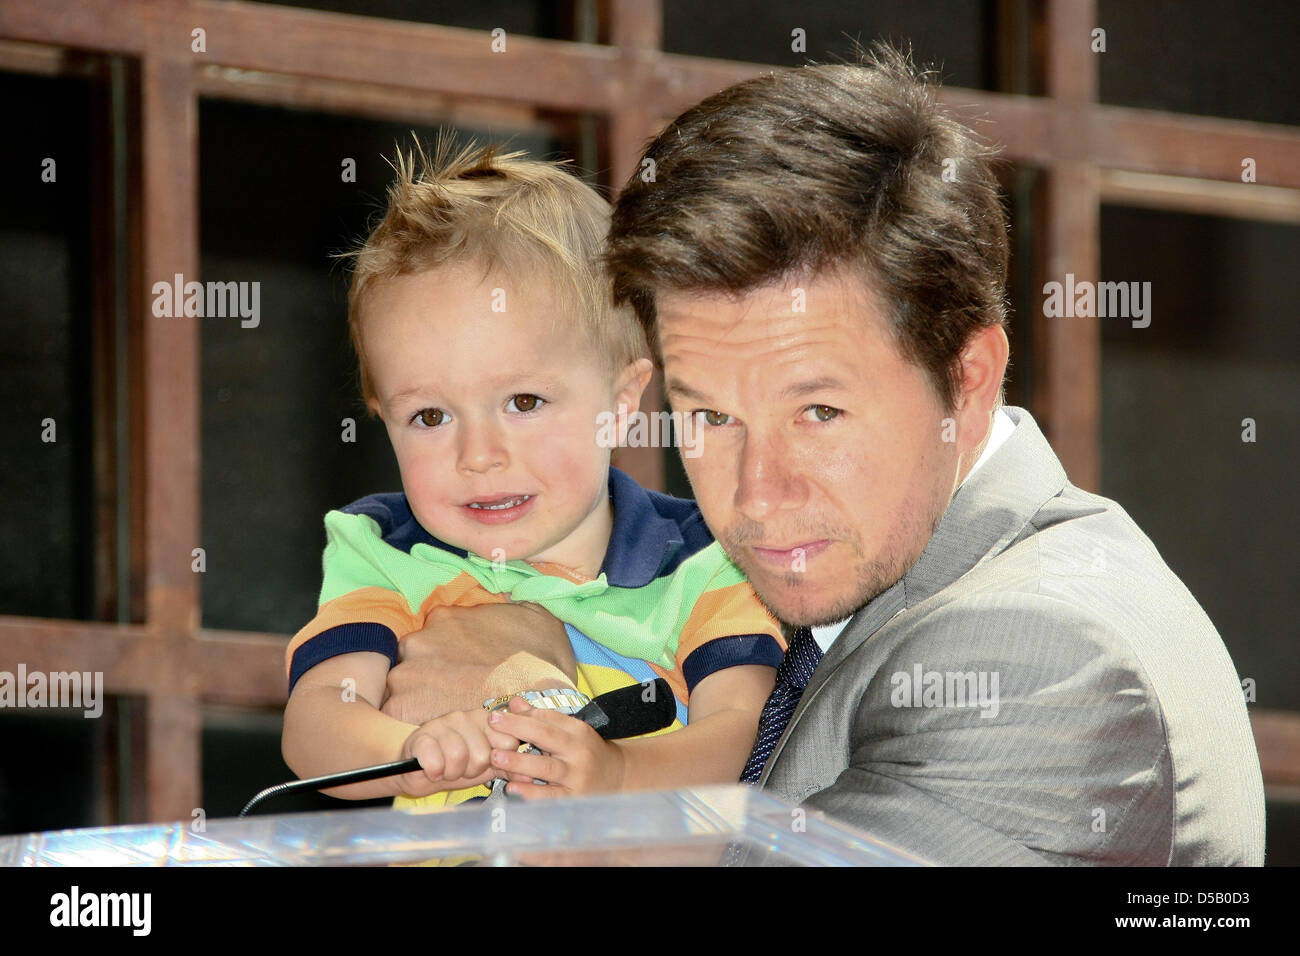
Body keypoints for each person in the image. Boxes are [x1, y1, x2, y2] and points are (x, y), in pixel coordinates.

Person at [382, 45, 1267, 865]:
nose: (757, 495)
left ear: (969, 378)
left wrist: (538, 700)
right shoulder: (792, 596)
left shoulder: (1041, 658)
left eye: (819, 412)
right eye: (711, 418)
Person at [280, 140, 784, 809]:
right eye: (430, 416)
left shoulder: (703, 561)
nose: (478, 455)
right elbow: (314, 722)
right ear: (382, 416)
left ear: (621, 399)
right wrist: (402, 753)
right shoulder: (386, 550)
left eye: (523, 403)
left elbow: (744, 731)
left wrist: (617, 773)